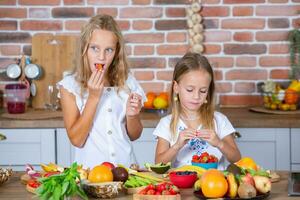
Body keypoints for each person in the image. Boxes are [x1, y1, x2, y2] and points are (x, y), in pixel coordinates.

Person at [57, 14, 146, 169]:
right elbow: (77, 139)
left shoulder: (128, 82)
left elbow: (135, 135)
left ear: (117, 52)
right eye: (94, 48)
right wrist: (93, 98)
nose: (101, 57)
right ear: (84, 48)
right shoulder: (69, 86)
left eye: (109, 50)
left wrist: (133, 116)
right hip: (90, 174)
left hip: (126, 170)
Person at [153, 52, 241, 170]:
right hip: (182, 186)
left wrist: (219, 143)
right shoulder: (166, 123)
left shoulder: (219, 120)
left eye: (203, 91)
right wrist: (177, 146)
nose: (196, 96)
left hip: (216, 184)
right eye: (190, 90)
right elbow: (158, 163)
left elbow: (237, 158)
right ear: (176, 87)